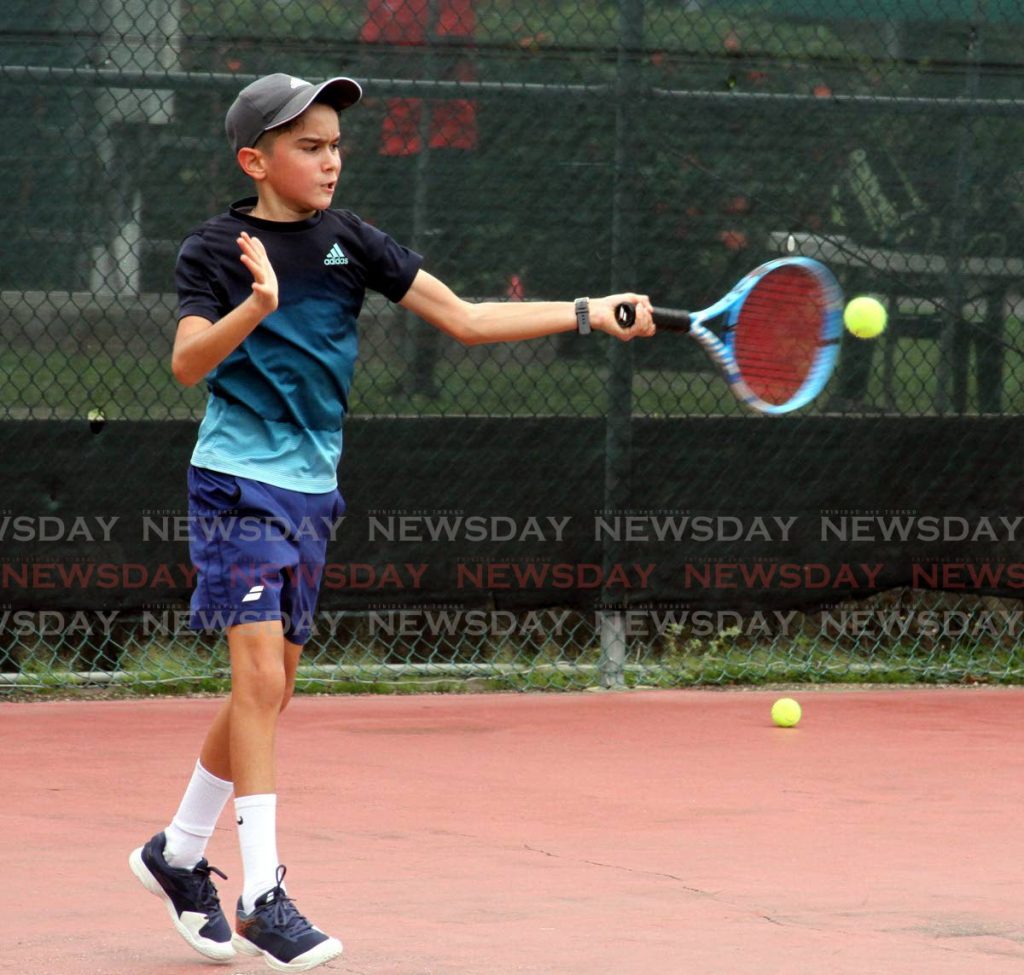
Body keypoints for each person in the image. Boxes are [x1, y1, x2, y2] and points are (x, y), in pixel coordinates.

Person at [128, 72, 654, 973]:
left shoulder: (351, 243)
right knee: (257, 682)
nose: (330, 159)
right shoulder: (215, 249)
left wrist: (585, 311)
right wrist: (255, 307)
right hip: (236, 486)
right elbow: (184, 363)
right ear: (256, 159)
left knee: (273, 690)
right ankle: (262, 897)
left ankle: (175, 854)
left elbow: (467, 317)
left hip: (311, 491)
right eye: (308, 145)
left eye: (335, 144)